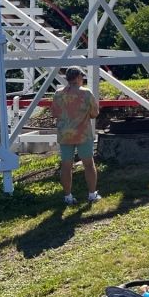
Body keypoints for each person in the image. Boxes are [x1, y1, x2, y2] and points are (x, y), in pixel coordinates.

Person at [53, 66, 100, 206]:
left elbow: (54, 113)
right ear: (79, 77)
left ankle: (68, 196)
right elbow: (94, 113)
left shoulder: (58, 93)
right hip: (82, 133)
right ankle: (92, 195)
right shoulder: (86, 93)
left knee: (66, 166)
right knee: (89, 164)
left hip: (65, 134)